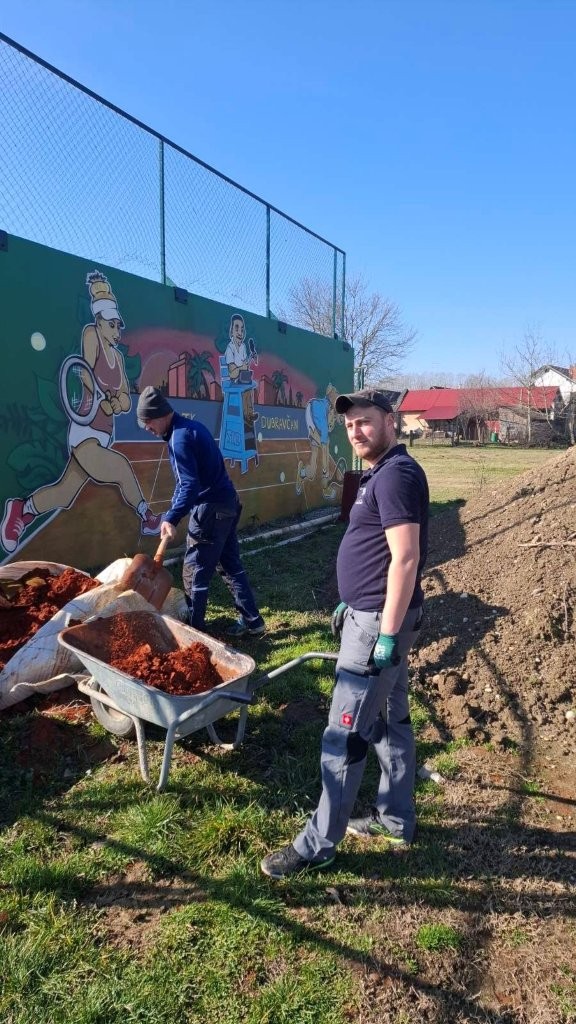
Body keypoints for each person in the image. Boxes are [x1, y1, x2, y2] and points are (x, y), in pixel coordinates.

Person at [261, 388, 429, 879]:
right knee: (390, 720)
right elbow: (379, 551)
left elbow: (406, 558)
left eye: (365, 422)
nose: (356, 431)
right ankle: (397, 819)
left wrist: (386, 633)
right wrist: (351, 598)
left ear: (390, 421)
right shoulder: (383, 472)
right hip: (374, 613)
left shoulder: (395, 475)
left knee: (346, 732)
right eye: (350, 425)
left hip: (380, 624)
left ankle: (318, 844)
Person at [0, 271, 161, 554]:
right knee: (122, 468)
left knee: (64, 494)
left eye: (118, 326)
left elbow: (124, 398)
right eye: (113, 325)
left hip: (103, 435)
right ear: (100, 321)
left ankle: (21, 510)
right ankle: (147, 517)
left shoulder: (119, 358)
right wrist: (102, 398)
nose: (117, 330)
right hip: (85, 433)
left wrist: (115, 402)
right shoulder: (91, 334)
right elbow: (84, 372)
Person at [136, 385, 266, 637]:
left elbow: (189, 485)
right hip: (227, 503)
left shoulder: (179, 438)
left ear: (158, 415)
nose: (149, 430)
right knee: (230, 565)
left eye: (148, 423)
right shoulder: (191, 429)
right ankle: (254, 621)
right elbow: (185, 482)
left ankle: (194, 635)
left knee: (194, 572)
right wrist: (170, 513)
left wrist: (173, 517)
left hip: (210, 510)